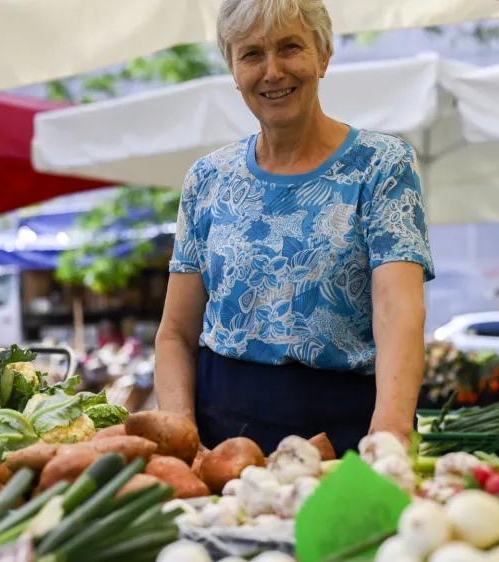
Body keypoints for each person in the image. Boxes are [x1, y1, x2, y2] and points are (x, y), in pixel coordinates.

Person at [153, 0, 434, 456]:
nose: (272, 71)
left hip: (345, 429)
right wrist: (182, 435)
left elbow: (398, 311)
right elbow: (175, 334)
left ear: (323, 57)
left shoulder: (382, 166)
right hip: (220, 434)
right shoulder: (208, 179)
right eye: (251, 55)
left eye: (290, 48)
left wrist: (389, 436)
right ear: (233, 69)